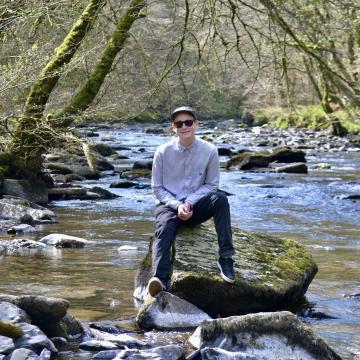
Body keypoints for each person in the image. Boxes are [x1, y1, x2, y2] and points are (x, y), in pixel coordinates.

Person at [147, 106, 235, 297]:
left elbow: (212, 184)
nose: (184, 126)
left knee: (221, 199)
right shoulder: (162, 152)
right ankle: (159, 280)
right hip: (169, 205)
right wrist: (178, 205)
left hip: (197, 205)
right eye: (179, 123)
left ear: (196, 124)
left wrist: (190, 202)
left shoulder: (210, 150)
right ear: (173, 127)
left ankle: (226, 258)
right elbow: (157, 188)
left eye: (188, 122)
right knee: (164, 228)